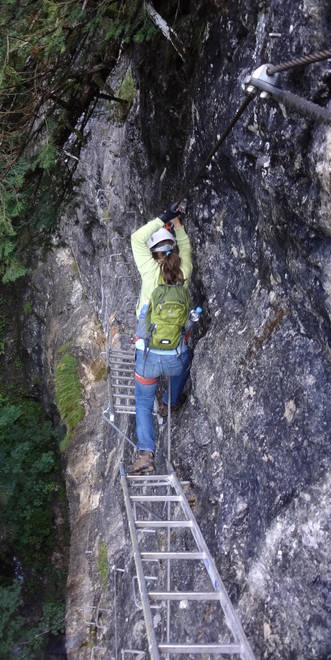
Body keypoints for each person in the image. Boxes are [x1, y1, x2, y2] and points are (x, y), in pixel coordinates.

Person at [128, 203, 193, 475]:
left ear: (153, 254)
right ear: (173, 251)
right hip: (175, 358)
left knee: (143, 402)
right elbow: (186, 249)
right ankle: (169, 402)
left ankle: (146, 453)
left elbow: (136, 238)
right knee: (186, 359)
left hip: (147, 358)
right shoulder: (184, 273)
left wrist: (164, 218)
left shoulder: (148, 270)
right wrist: (177, 225)